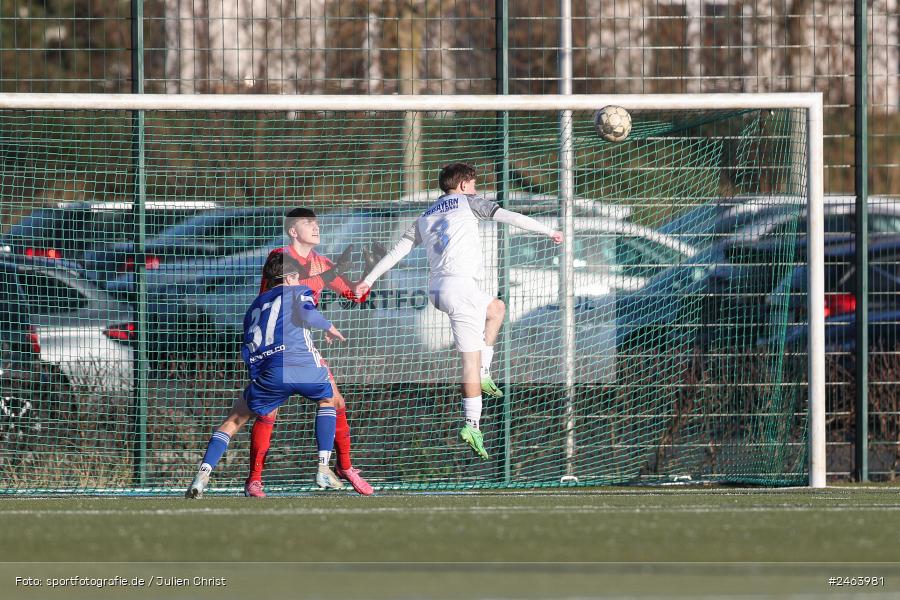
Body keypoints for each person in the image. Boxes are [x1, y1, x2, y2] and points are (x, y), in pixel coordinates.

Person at [354, 163, 563, 460]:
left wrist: (368, 280)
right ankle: (472, 424)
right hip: (460, 290)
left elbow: (395, 252)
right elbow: (510, 216)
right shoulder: (469, 202)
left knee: (496, 308)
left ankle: (485, 372)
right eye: (474, 184)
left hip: (439, 288)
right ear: (464, 184)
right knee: (469, 362)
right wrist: (549, 231)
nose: (476, 189)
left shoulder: (426, 216)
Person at [186, 252, 347, 499]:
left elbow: (249, 345)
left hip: (270, 373)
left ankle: (202, 475)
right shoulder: (298, 290)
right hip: (303, 366)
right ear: (291, 277)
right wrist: (330, 327)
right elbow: (307, 312)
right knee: (329, 401)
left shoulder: (254, 306)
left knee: (233, 420)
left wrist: (259, 376)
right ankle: (323, 467)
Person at [245, 208, 373, 497]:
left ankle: (344, 467)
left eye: (316, 223)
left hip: (302, 345)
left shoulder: (322, 264)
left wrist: (368, 277)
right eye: (308, 223)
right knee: (267, 411)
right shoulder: (281, 257)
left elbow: (353, 293)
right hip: (274, 344)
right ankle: (254, 479)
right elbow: (270, 296)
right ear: (293, 231)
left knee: (335, 401)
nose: (316, 227)